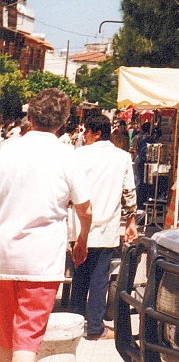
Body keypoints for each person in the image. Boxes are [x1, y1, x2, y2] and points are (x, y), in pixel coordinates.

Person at [0, 88, 92, 362]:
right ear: (64, 121)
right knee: (27, 336)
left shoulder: (6, 150)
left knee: (4, 335)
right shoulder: (67, 156)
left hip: (3, 255)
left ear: (30, 116)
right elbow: (85, 209)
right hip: (41, 260)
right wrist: (82, 239)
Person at [70, 113, 137, 341]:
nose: (84, 136)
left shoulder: (78, 155)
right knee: (100, 278)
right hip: (106, 226)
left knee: (79, 276)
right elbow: (129, 192)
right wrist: (131, 222)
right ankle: (95, 328)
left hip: (79, 225)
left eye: (87, 132)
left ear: (96, 133)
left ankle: (74, 323)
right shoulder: (122, 157)